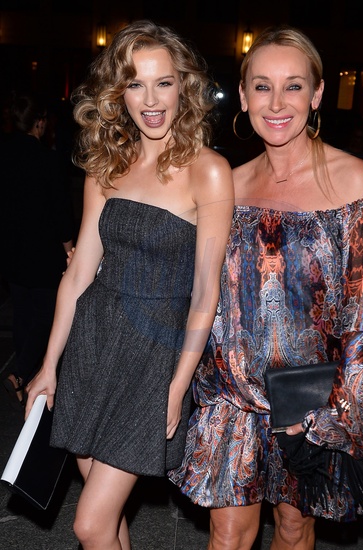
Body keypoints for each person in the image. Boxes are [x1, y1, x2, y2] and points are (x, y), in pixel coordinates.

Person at [169, 25, 363, 550]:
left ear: (317, 94)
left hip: (309, 397)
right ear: (242, 95)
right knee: (226, 535)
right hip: (231, 393)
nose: (276, 103)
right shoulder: (227, 183)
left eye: (293, 86)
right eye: (262, 86)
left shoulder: (353, 181)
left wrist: (332, 409)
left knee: (295, 527)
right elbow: (190, 275)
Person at [25, 20, 234, 550]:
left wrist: (177, 386)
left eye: (163, 82)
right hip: (92, 345)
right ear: (118, 93)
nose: (151, 100)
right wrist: (48, 366)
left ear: (184, 87)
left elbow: (206, 291)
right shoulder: (106, 166)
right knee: (108, 522)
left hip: (153, 358)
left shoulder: (209, 171)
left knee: (88, 524)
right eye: (136, 84)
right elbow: (79, 273)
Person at [0, 92, 74, 409]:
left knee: (23, 314)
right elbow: (61, 212)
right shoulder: (47, 160)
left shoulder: (3, 154)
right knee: (47, 315)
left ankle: (23, 375)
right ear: (40, 123)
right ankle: (20, 373)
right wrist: (70, 250)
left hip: (11, 249)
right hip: (43, 251)